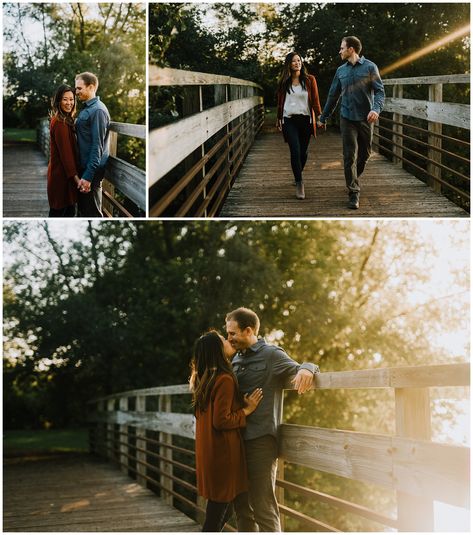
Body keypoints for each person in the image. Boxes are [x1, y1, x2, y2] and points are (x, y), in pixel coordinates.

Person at [226, 307, 319, 532]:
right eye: (227, 334)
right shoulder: (236, 358)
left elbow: (299, 367)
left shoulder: (271, 355)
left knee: (263, 505)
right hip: (236, 438)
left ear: (248, 330)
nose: (229, 338)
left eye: (232, 333)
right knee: (241, 506)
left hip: (261, 441)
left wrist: (308, 369)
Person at [190, 330, 263, 532]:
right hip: (222, 454)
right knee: (217, 513)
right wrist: (247, 410)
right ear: (217, 350)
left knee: (227, 507)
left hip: (210, 452)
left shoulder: (203, 379)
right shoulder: (224, 379)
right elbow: (221, 420)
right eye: (223, 340)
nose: (228, 340)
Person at [318, 36, 385, 209]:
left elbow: (380, 92)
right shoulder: (341, 71)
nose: (339, 51)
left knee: (365, 154)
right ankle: (353, 192)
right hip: (346, 118)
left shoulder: (370, 67)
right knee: (349, 156)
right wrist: (323, 117)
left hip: (365, 118)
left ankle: (354, 178)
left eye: (342, 48)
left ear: (351, 49)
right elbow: (333, 95)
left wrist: (375, 110)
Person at [276, 52, 322, 200]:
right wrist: (278, 118)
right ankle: (299, 182)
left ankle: (298, 173)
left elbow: (315, 100)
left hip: (306, 120)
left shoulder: (310, 80)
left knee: (303, 153)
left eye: (299, 60)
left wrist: (320, 116)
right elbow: (280, 102)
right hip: (289, 120)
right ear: (289, 64)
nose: (297, 63)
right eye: (294, 61)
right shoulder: (284, 82)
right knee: (295, 151)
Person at [75, 72, 110, 217]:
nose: (76, 92)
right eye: (76, 88)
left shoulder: (98, 111)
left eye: (79, 88)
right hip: (83, 169)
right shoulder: (87, 108)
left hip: (91, 172)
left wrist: (88, 176)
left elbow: (97, 146)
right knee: (84, 211)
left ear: (91, 87)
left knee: (93, 214)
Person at [47, 84, 80, 217]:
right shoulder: (59, 122)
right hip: (61, 179)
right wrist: (77, 179)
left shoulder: (66, 120)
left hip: (65, 177)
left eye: (71, 99)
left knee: (69, 213)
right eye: (65, 99)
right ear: (58, 101)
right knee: (58, 213)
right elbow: (66, 155)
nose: (69, 103)